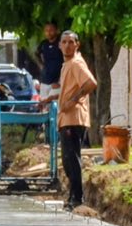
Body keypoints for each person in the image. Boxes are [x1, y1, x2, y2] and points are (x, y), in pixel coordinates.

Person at [56, 30, 97, 210]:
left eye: (71, 42)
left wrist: (73, 100)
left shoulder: (77, 63)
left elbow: (90, 83)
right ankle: (73, 196)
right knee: (67, 159)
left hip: (74, 118)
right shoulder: (67, 64)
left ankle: (77, 198)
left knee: (72, 159)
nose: (67, 45)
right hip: (65, 118)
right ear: (59, 45)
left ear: (77, 45)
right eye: (64, 42)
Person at [36, 22, 64, 98]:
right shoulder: (43, 44)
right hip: (45, 81)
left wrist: (60, 81)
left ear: (56, 30)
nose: (48, 33)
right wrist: (41, 65)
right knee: (44, 106)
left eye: (51, 30)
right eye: (46, 30)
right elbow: (37, 54)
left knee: (55, 106)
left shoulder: (61, 43)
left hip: (57, 82)